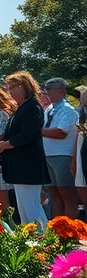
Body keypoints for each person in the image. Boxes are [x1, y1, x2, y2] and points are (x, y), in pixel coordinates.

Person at [0, 70, 49, 228]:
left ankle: (42, 238)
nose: (10, 91)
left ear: (26, 86)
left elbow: (26, 135)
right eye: (8, 87)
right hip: (20, 165)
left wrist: (3, 145)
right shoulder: (21, 108)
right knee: (25, 207)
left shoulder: (32, 107)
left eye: (13, 86)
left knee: (31, 206)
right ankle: (32, 238)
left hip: (28, 164)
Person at [41, 77, 79, 219]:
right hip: (48, 155)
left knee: (66, 193)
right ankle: (57, 229)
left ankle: (70, 229)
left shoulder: (68, 110)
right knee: (53, 193)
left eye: (50, 89)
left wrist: (40, 131)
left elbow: (60, 132)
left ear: (61, 90)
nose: (47, 93)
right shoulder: (49, 109)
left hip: (62, 155)